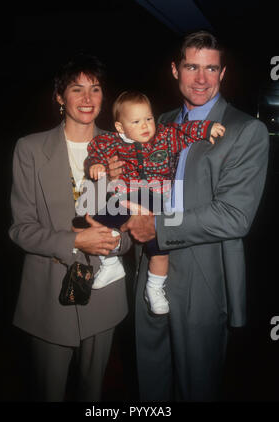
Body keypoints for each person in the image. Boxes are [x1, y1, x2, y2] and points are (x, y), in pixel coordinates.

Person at [114, 31, 269, 401]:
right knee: (150, 381)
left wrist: (157, 226)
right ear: (175, 70)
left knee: (196, 386)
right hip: (151, 265)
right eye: (192, 66)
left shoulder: (247, 130)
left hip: (205, 272)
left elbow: (234, 216)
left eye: (211, 68)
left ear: (223, 73)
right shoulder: (156, 123)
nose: (201, 78)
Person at [8, 53, 131, 402]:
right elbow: (21, 229)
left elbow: (133, 224)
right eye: (77, 89)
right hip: (48, 295)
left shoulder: (122, 149)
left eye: (95, 89)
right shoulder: (29, 149)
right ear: (59, 97)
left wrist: (115, 241)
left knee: (94, 394)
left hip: (105, 294)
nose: (88, 99)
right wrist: (76, 240)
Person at [83, 90, 224, 315]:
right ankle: (110, 265)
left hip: (158, 199)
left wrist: (206, 129)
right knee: (98, 220)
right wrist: (97, 164)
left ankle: (155, 288)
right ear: (121, 127)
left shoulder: (165, 136)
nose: (146, 125)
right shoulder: (112, 141)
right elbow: (96, 150)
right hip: (128, 198)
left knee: (158, 251)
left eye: (148, 118)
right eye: (136, 121)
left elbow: (185, 131)